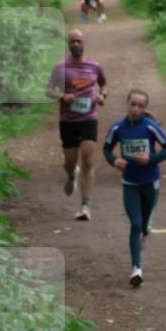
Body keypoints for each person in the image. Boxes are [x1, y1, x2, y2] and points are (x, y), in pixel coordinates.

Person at [103, 89, 166, 287]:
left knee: (143, 226)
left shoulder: (150, 127)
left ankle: (146, 226)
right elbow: (106, 149)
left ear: (145, 108)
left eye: (140, 106)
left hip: (151, 182)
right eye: (133, 104)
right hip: (130, 183)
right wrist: (114, 160)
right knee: (135, 225)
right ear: (127, 103)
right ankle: (136, 269)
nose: (135, 109)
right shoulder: (117, 128)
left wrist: (151, 159)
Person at [46, 29, 107, 220]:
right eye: (72, 42)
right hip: (68, 121)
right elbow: (48, 90)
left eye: (78, 41)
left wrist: (102, 95)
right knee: (70, 162)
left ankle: (85, 205)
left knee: (88, 159)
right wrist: (63, 96)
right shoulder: (60, 68)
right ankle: (72, 175)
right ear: (68, 44)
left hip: (89, 119)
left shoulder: (94, 66)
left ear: (84, 42)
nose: (75, 45)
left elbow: (104, 83)